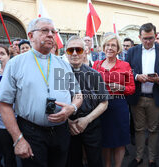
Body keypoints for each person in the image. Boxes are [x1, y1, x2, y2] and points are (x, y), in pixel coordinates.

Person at [0, 17, 83, 167]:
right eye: (44, 30)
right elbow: (4, 104)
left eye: (53, 31)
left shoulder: (63, 64)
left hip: (61, 131)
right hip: (31, 132)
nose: (50, 34)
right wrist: (18, 139)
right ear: (30, 36)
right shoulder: (16, 63)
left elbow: (78, 94)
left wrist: (72, 108)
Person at [126, 23, 159, 167]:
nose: (148, 41)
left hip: (156, 97)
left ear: (155, 35)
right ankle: (139, 157)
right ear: (139, 37)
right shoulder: (132, 51)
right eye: (145, 38)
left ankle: (152, 159)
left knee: (153, 130)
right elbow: (127, 71)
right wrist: (136, 77)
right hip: (137, 97)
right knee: (139, 129)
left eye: (151, 38)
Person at [93, 33, 135, 167]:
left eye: (113, 45)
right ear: (103, 47)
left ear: (118, 49)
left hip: (118, 105)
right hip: (101, 106)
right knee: (105, 140)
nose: (109, 48)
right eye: (107, 45)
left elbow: (132, 88)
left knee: (119, 140)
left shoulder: (125, 65)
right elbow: (91, 86)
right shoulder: (96, 65)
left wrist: (121, 87)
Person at [65, 35, 109, 167]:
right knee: (72, 161)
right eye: (70, 50)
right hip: (68, 125)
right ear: (66, 53)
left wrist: (87, 120)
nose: (74, 53)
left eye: (78, 50)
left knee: (95, 161)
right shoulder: (59, 75)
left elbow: (104, 103)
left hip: (91, 124)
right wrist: (68, 122)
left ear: (85, 52)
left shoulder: (95, 75)